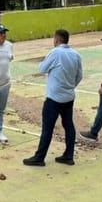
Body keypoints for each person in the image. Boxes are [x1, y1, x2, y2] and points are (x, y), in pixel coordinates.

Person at [24, 29, 84, 167]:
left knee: (48, 128)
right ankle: (68, 155)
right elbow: (79, 75)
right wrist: (70, 87)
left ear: (56, 40)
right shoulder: (76, 54)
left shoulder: (55, 52)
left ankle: (39, 157)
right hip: (68, 96)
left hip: (54, 97)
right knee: (68, 125)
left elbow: (42, 69)